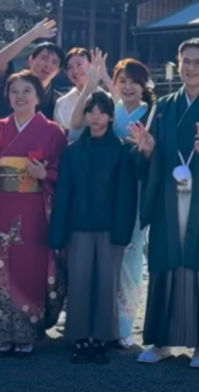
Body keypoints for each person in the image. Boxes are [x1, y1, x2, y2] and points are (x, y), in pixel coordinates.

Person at [127, 38, 199, 368]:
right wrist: (146, 149)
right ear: (178, 64)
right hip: (166, 196)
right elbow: (147, 156)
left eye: (198, 62)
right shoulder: (162, 108)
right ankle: (161, 341)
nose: (190, 68)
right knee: (165, 263)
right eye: (185, 61)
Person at [0, 70, 68, 355]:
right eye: (14, 91)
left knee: (30, 267)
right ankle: (2, 334)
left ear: (38, 96)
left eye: (27, 90)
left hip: (34, 210)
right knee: (0, 267)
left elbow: (64, 174)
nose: (20, 96)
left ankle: (28, 332)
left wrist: (45, 174)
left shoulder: (52, 130)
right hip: (1, 207)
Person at [48, 92, 138, 364]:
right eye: (91, 111)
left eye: (102, 111)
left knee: (106, 284)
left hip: (110, 229)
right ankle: (80, 338)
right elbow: (63, 193)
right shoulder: (73, 151)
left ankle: (100, 339)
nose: (96, 116)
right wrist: (57, 231)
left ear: (111, 116)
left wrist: (123, 231)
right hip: (78, 227)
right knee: (80, 283)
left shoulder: (122, 149)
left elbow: (126, 195)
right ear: (84, 116)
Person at [87, 58, 154, 348]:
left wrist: (147, 149)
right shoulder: (109, 111)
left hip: (136, 191)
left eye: (134, 81)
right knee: (102, 257)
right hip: (106, 192)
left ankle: (124, 324)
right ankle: (101, 321)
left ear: (144, 85)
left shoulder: (153, 114)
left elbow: (157, 157)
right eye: (122, 81)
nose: (128, 87)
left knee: (130, 256)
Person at [0, 19, 61, 120]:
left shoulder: (58, 102)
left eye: (54, 62)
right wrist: (33, 34)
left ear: (58, 71)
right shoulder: (12, 83)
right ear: (31, 60)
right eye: (44, 58)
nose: (48, 65)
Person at [56, 48, 114, 136]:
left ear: (92, 65)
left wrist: (104, 75)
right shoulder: (61, 103)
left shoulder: (108, 97)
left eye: (79, 64)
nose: (75, 71)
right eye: (69, 67)